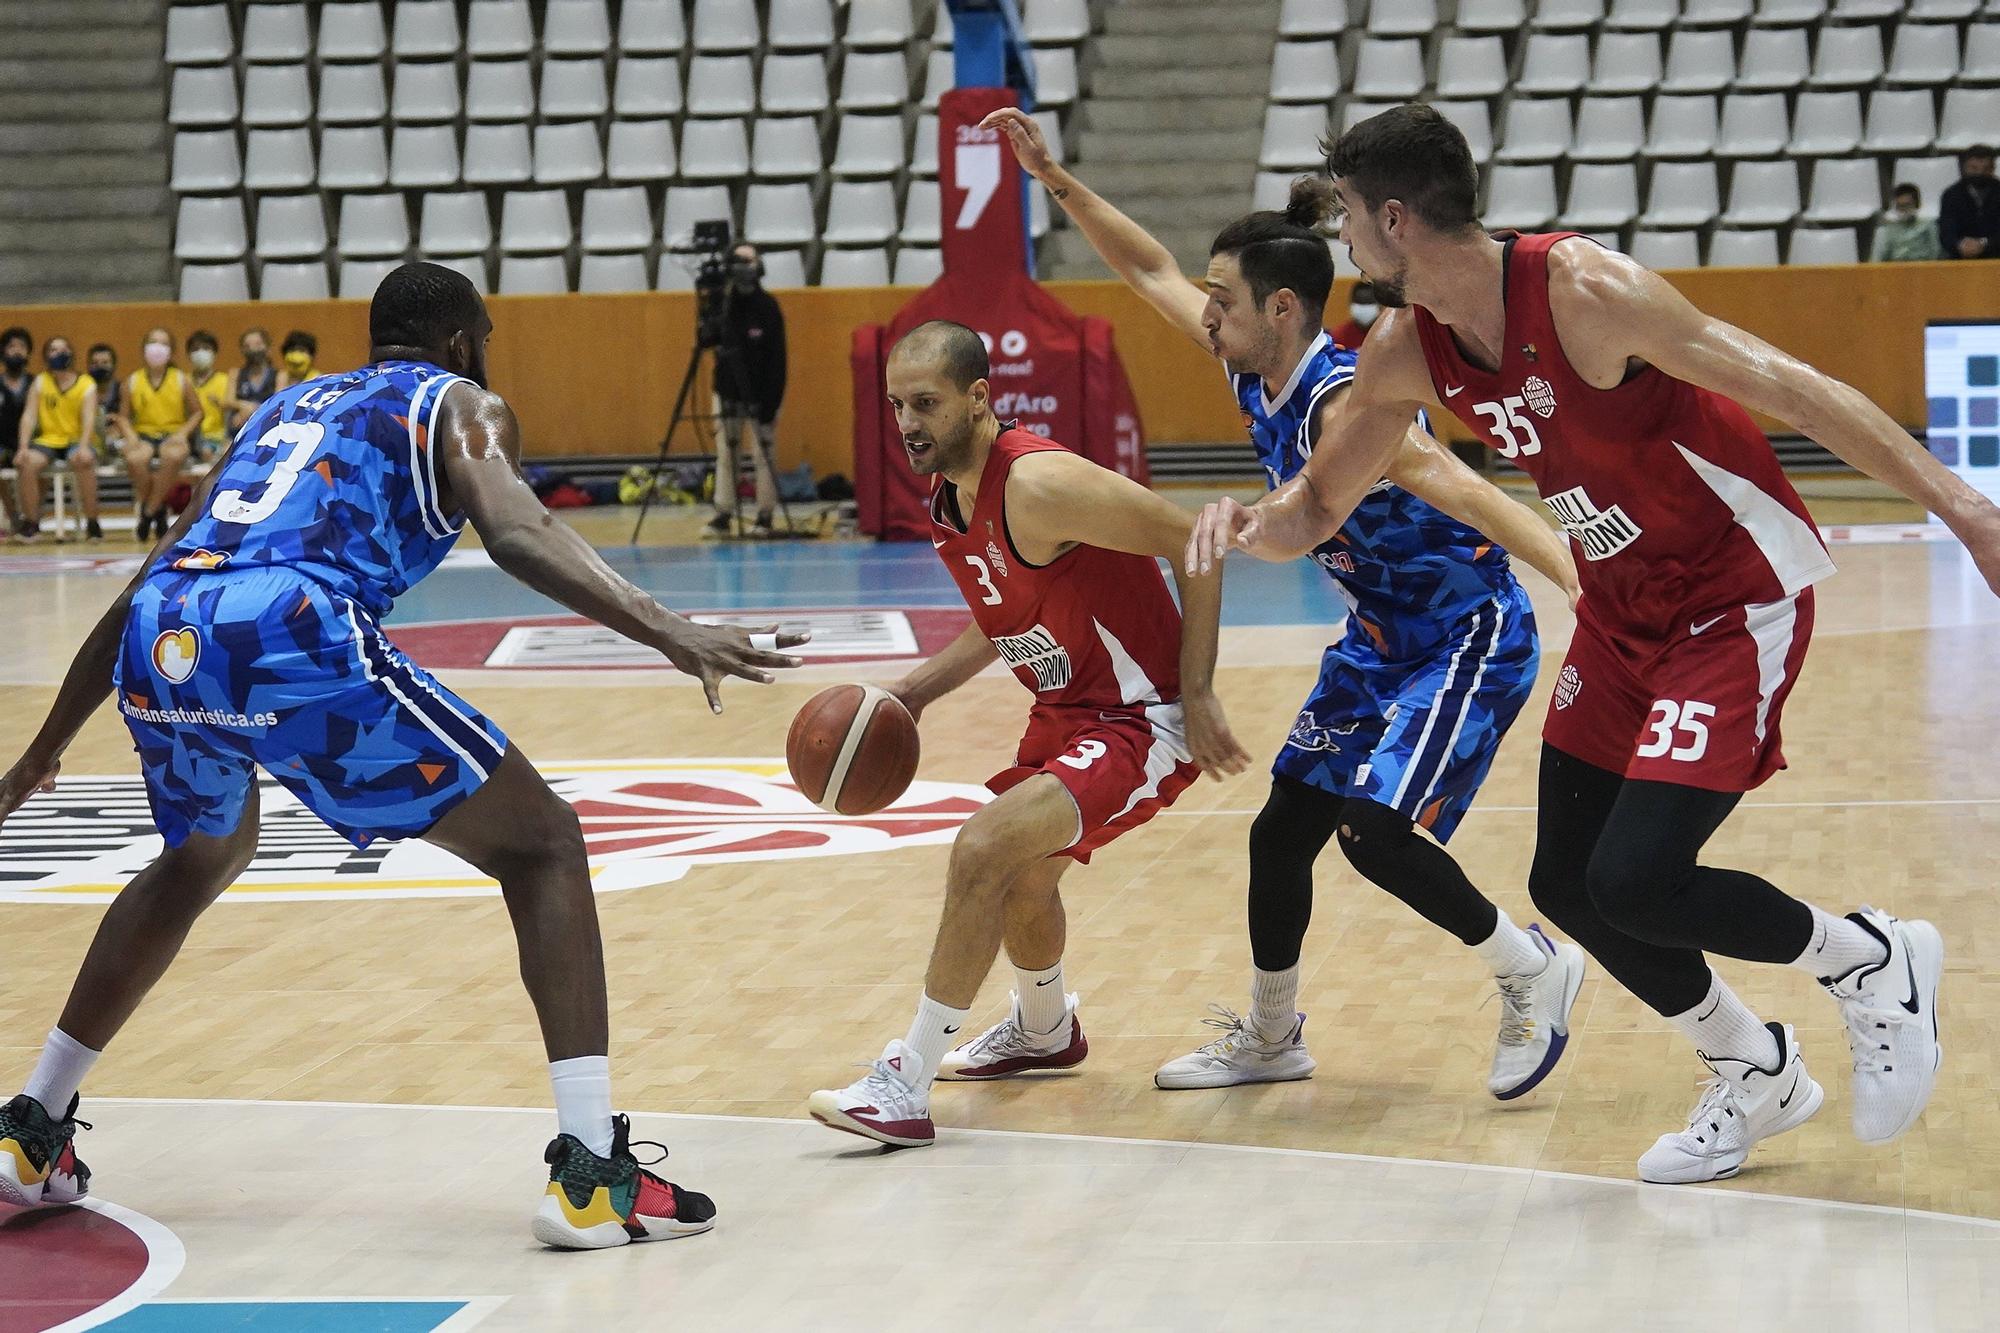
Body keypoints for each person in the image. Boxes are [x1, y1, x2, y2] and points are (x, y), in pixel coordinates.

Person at [1196, 104, 2000, 1183]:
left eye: (1346, 213)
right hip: (1622, 614)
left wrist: (1968, 509)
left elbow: (1796, 389)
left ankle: (1869, 958)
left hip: (1730, 591)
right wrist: (1246, 525)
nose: (1339, 235)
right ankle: (1751, 1067)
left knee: (1634, 876)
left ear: (1393, 219)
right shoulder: (1402, 350)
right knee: (1569, 883)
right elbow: (1316, 505)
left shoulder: (1583, 291)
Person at [0, 262, 807, 1248]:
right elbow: (513, 526)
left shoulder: (283, 409)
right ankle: (593, 1175)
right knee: (543, 844)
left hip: (164, 633)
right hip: (285, 626)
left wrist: (40, 752)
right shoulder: (458, 400)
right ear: (464, 343)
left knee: (200, 854)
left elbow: (148, 578)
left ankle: (32, 1127)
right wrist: (664, 627)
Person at [986, 108, 1589, 1099]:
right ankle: (1272, 1037)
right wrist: (1054, 179)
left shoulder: (1349, 399)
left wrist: (1578, 578)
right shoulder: (1252, 355)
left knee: (1373, 830)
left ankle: (1530, 970)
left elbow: (1471, 491)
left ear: (1277, 310)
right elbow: (1146, 270)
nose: (1201, 313)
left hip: (1465, 630)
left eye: (1218, 300)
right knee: (1280, 832)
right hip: (1378, 638)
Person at [806, 320, 1252, 1147]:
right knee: (1021, 880)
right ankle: (1046, 1029)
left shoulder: (1040, 484)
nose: (909, 421)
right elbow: (998, 613)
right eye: (898, 403)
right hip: (1066, 713)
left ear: (980, 397)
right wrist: (911, 693)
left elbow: (1201, 542)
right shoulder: (946, 495)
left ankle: (903, 1082)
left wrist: (1196, 692)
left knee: (982, 848)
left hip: (1140, 717)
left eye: (928, 403)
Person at [706, 243, 787, 539]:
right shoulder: (724, 305)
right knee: (727, 453)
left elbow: (778, 359)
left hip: (761, 392)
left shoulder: (767, 307)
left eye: (748, 260)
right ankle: (724, 511)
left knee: (763, 454)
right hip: (727, 390)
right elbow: (707, 339)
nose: (743, 266)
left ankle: (765, 514)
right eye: (737, 260)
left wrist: (771, 402)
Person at [14, 336, 104, 543]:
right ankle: (31, 523)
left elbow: (89, 417)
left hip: (77, 439)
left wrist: (83, 446)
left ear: (71, 354)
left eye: (64, 349)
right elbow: (29, 416)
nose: (59, 353)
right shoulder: (40, 382)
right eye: (54, 350)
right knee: (25, 462)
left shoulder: (85, 383)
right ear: (46, 356)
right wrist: (23, 447)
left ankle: (93, 523)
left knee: (84, 460)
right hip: (49, 440)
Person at [121, 326, 202, 542]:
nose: (157, 348)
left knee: (173, 455)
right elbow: (123, 416)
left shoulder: (180, 379)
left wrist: (183, 433)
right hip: (144, 434)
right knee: (135, 458)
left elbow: (197, 413)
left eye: (163, 343)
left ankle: (147, 513)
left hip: (172, 432)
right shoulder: (132, 381)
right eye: (153, 342)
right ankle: (158, 507)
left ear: (171, 351)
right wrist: (130, 436)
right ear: (144, 349)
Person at [1938, 145, 2000, 261]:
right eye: (1974, 168)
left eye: (1985, 169)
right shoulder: (1951, 195)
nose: (1979, 173)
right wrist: (1960, 245)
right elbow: (1946, 232)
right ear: (1963, 168)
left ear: (1993, 169)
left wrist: (1983, 244)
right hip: (1960, 256)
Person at [0, 326, 32, 535]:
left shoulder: (36, 383)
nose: (17, 351)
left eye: (22, 347)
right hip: (2, 443)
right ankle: (13, 515)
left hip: (30, 442)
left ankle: (32, 517)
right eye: (12, 347)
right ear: (3, 351)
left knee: (35, 461)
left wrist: (25, 445)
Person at [185, 330, 233, 463]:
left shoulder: (226, 381)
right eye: (195, 349)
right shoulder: (184, 381)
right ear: (188, 355)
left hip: (219, 438)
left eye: (206, 348)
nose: (200, 353)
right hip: (191, 438)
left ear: (214, 353)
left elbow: (229, 414)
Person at [1870, 184, 1945, 263]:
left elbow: (1935, 252)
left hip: (1923, 268)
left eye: (1907, 205)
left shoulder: (1928, 225)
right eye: (1899, 206)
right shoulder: (1888, 229)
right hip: (1896, 270)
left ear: (1917, 205)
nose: (1903, 210)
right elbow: (1880, 258)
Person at [231, 327, 277, 433]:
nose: (253, 349)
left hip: (267, 427)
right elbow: (228, 401)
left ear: (267, 347)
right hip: (239, 428)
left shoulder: (279, 375)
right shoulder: (236, 373)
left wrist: (253, 411)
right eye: (247, 346)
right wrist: (243, 405)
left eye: (258, 344)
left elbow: (279, 402)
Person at [1330, 279, 1382, 349]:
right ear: (1351, 304)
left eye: (1368, 302)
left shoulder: (1389, 335)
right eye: (1360, 302)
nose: (1364, 307)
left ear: (1379, 305)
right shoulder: (1338, 336)